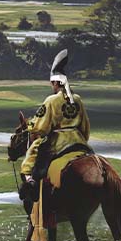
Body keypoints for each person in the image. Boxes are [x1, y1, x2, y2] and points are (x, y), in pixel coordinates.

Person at [21, 49, 92, 195]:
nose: (51, 86)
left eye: (52, 83)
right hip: (79, 140)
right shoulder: (77, 99)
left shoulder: (51, 100)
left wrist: (29, 125)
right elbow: (85, 126)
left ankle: (30, 182)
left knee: (30, 157)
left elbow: (40, 128)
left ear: (55, 82)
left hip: (58, 142)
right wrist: (81, 138)